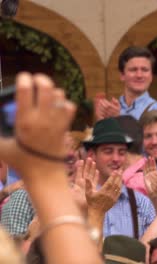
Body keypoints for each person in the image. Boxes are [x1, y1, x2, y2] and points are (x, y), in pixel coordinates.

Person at [0, 72, 102, 263]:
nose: (70, 156)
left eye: (72, 151)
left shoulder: (82, 193)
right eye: (62, 152)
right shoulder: (22, 197)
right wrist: (46, 173)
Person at [83, 117, 156, 239]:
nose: (116, 158)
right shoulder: (78, 199)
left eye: (121, 152)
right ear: (92, 155)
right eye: (108, 151)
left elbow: (153, 250)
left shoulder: (142, 204)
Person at [95, 46, 157, 121]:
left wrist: (118, 119)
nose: (139, 75)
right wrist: (100, 120)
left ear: (151, 76)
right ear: (122, 75)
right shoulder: (112, 109)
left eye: (145, 70)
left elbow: (149, 134)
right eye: (133, 70)